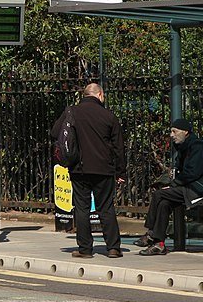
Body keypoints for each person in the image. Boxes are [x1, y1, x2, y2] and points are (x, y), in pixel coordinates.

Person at [62, 82, 126, 259]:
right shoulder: (109, 116)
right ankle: (113, 247)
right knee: (105, 207)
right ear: (99, 95)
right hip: (103, 168)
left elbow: (56, 134)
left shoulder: (72, 112)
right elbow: (118, 147)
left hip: (79, 168)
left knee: (81, 208)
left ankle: (85, 249)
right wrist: (121, 172)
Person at [135, 117, 203, 255]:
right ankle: (159, 244)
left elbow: (193, 173)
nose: (171, 135)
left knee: (158, 194)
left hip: (196, 189)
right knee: (164, 203)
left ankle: (151, 233)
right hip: (186, 187)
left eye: (174, 131)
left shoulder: (197, 147)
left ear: (185, 132)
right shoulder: (182, 147)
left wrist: (173, 185)